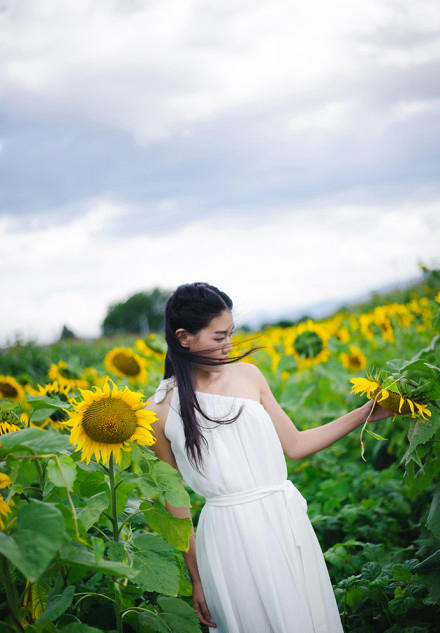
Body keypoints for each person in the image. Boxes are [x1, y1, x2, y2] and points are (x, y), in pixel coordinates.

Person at [144, 282, 392, 633]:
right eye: (218, 337)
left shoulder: (248, 375)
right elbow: (176, 502)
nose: (228, 345)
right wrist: (197, 578)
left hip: (283, 517)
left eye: (231, 333)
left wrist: (366, 413)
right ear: (184, 337)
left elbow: (296, 444)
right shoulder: (158, 410)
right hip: (228, 534)